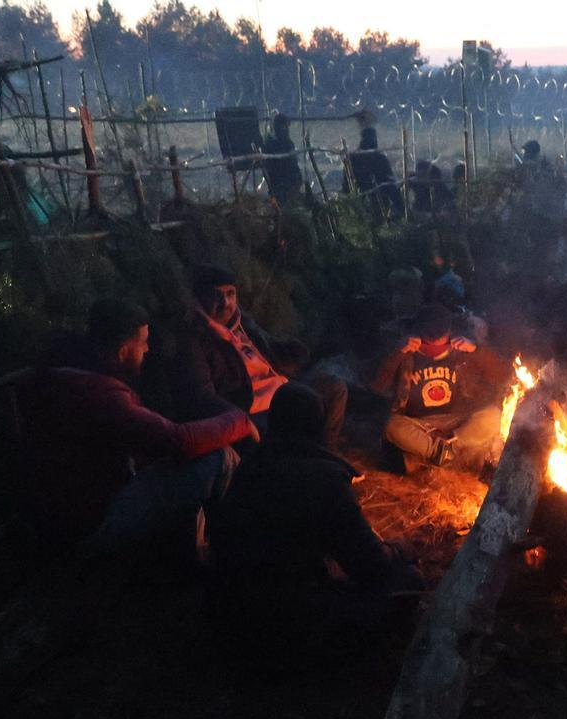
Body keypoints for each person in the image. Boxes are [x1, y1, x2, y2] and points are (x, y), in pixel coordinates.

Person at [207, 382, 423, 666]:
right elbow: (371, 567)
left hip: (228, 612)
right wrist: (397, 549)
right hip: (283, 626)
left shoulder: (250, 464)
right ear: (318, 428)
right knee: (409, 580)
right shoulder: (326, 478)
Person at [21, 298, 256, 547]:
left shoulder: (72, 374)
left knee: (190, 463)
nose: (147, 350)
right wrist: (239, 421)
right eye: (143, 343)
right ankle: (229, 545)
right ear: (123, 352)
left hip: (68, 502)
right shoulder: (101, 395)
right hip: (92, 518)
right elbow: (177, 440)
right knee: (219, 458)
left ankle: (199, 546)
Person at [172, 265, 348, 450]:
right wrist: (239, 419)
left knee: (334, 387)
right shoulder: (196, 340)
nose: (226, 303)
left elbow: (269, 347)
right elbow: (202, 396)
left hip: (283, 387)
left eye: (230, 294)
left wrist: (288, 349)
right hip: (256, 408)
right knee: (304, 409)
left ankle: (324, 454)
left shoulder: (242, 323)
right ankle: (312, 461)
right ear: (201, 299)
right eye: (216, 296)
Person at [372, 304, 509, 469]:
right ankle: (444, 454)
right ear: (418, 331)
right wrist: (398, 352)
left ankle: (443, 453)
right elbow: (376, 386)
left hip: (455, 423)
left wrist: (476, 350)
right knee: (391, 426)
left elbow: (505, 374)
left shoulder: (461, 349)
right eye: (429, 339)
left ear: (449, 332)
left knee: (493, 416)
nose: (435, 344)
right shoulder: (406, 351)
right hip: (419, 424)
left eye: (440, 339)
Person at [343, 126, 404, 220]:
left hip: (363, 195)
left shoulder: (352, 157)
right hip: (371, 195)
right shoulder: (378, 158)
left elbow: (346, 183)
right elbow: (390, 183)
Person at [261, 112, 304, 205]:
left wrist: (297, 181)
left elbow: (294, 165)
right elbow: (270, 167)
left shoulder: (288, 143)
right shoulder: (270, 144)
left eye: (287, 127)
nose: (286, 130)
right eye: (284, 127)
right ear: (277, 127)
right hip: (279, 182)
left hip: (291, 180)